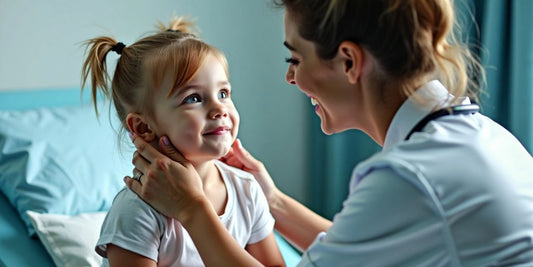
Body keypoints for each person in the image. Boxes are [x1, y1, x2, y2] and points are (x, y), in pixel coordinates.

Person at [124, 1, 533, 266]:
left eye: (294, 57)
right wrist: (273, 202)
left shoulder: (410, 178)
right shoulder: (482, 137)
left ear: (349, 62)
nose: (289, 77)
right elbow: (362, 248)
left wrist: (193, 209)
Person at [80, 16, 285, 267]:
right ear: (143, 127)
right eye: (193, 98)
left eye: (223, 93)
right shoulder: (136, 210)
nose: (219, 108)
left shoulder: (247, 191)